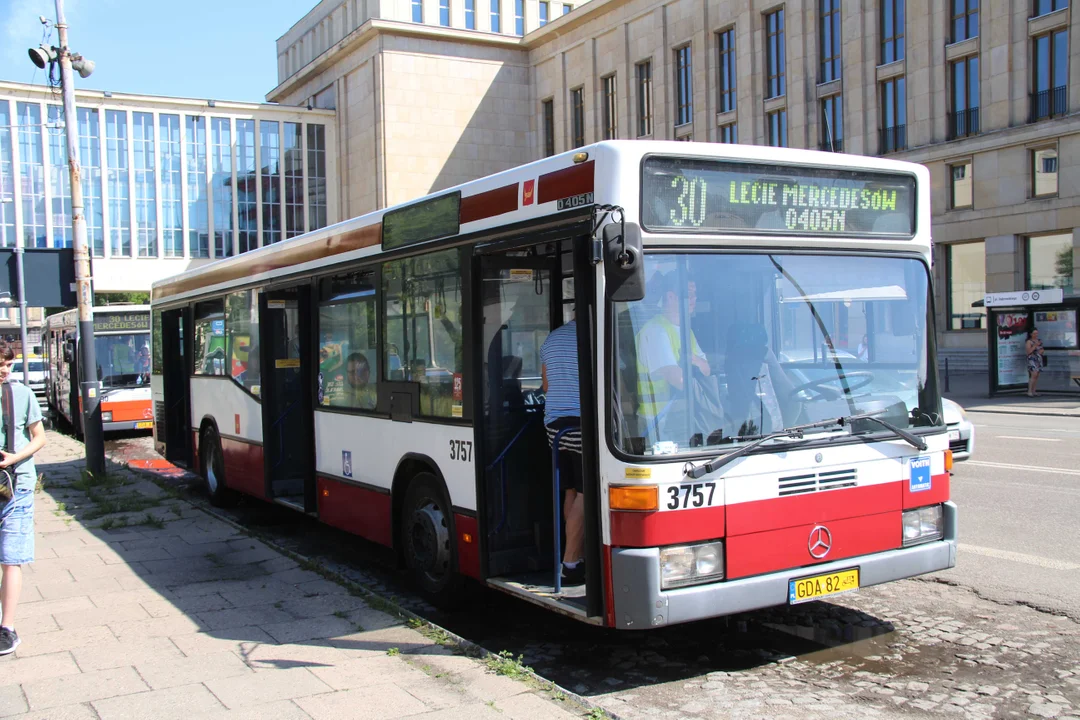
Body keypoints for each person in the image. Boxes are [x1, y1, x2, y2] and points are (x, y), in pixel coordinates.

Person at [0, 338, 47, 656]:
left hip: (17, 486)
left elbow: (39, 437)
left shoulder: (22, 394)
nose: (4, 370)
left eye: (7, 364)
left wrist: (12, 459)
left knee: (11, 557)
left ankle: (7, 627)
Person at [635, 272, 711, 446]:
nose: (694, 299)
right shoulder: (655, 331)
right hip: (657, 421)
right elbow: (679, 380)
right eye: (689, 295)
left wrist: (694, 361)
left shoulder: (686, 330)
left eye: (695, 295)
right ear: (670, 296)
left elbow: (707, 370)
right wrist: (695, 363)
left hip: (681, 417)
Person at [539, 317, 585, 586]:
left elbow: (546, 386)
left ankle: (575, 556)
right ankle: (570, 562)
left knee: (570, 490)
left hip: (554, 425)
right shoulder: (592, 336)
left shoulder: (551, 338)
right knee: (586, 493)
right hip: (580, 422)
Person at [1026, 327, 1045, 397]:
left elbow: (1042, 349)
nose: (1035, 335)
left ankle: (1034, 391)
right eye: (1034, 333)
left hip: (1038, 359)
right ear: (1031, 334)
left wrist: (1042, 351)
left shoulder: (1039, 340)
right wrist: (1035, 346)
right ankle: (1029, 391)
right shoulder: (1029, 341)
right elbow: (1028, 351)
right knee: (1033, 374)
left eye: (1036, 333)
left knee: (1037, 375)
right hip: (1032, 359)